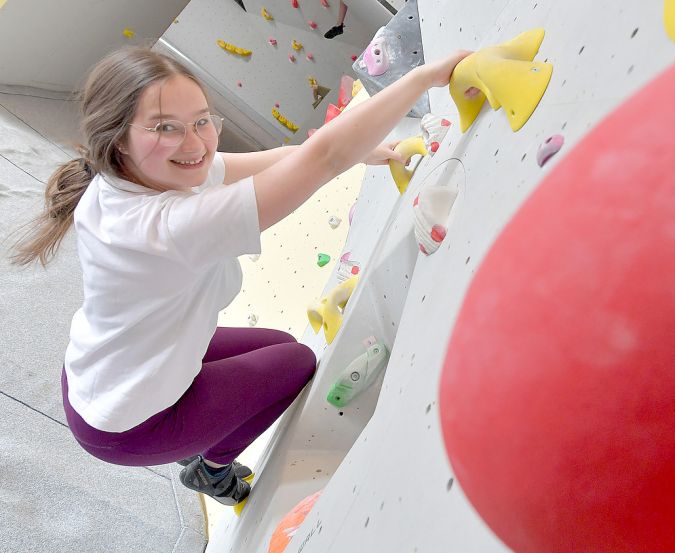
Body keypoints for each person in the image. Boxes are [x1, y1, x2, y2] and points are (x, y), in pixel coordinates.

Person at [9, 45, 470, 505]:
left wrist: (363, 152)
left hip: (107, 367)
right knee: (297, 364)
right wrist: (426, 77)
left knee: (280, 347)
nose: (195, 145)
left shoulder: (122, 177)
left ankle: (201, 435)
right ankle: (211, 469)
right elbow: (324, 158)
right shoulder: (170, 227)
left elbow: (275, 160)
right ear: (117, 138)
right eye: (165, 128)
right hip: (126, 424)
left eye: (202, 120)